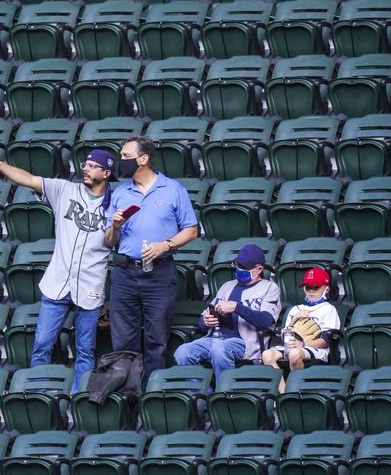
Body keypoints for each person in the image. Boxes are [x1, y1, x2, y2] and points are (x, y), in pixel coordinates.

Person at [0, 150, 115, 392]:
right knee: (42, 345)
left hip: (90, 287)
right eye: (85, 164)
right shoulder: (65, 190)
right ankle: (41, 395)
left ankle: (78, 398)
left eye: (92, 166)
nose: (86, 169)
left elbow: (113, 241)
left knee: (85, 351)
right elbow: (27, 178)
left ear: (106, 173)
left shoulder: (116, 201)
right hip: (57, 283)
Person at [104, 136, 199, 376]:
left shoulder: (173, 189)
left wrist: (166, 245)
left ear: (143, 159)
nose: (121, 160)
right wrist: (115, 226)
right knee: (123, 341)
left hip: (159, 273)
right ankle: (128, 396)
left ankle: (153, 396)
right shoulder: (120, 193)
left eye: (126, 156)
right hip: (125, 273)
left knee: (156, 340)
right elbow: (109, 241)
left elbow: (191, 230)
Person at [173, 244, 281, 382]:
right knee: (182, 352)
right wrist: (205, 321)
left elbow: (266, 321)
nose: (240, 269)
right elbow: (203, 320)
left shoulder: (269, 288)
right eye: (238, 265)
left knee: (219, 350)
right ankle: (202, 396)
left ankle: (223, 394)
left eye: (245, 267)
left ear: (259, 269)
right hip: (214, 338)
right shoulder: (227, 286)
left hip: (243, 342)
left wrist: (237, 307)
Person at [261, 267, 341, 393]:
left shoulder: (329, 309)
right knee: (267, 355)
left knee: (295, 354)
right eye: (308, 287)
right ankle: (285, 394)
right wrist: (295, 319)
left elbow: (326, 340)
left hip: (317, 349)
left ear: (326, 289)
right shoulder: (295, 309)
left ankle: (296, 392)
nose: (311, 291)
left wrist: (303, 344)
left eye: (316, 287)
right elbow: (285, 335)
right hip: (293, 346)